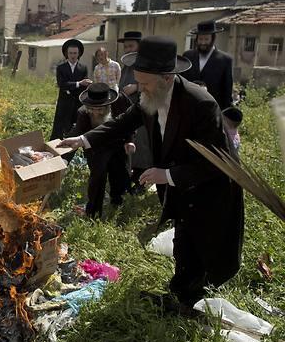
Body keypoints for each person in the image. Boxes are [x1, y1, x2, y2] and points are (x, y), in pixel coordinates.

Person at [58, 36, 245, 316]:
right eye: (139, 81)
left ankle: (198, 307)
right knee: (183, 241)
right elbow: (122, 123)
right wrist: (83, 139)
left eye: (145, 84)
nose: (139, 89)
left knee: (206, 247)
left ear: (167, 79)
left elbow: (216, 162)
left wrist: (167, 174)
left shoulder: (200, 104)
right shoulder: (149, 96)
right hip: (181, 189)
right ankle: (180, 293)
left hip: (210, 189)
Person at [68, 83, 133, 218]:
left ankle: (117, 205)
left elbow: (130, 122)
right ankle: (93, 213)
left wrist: (129, 140)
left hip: (117, 144)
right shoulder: (83, 113)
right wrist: (63, 158)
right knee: (97, 178)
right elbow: (75, 135)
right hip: (96, 149)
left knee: (119, 175)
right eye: (93, 109)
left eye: (100, 109)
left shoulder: (120, 102)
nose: (96, 112)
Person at [118, 31, 152, 194]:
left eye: (131, 46)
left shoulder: (145, 64)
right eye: (125, 46)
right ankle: (132, 177)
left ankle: (142, 181)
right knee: (131, 146)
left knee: (143, 147)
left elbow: (154, 84)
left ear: (139, 47)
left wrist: (136, 87)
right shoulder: (126, 66)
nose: (127, 49)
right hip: (129, 112)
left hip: (144, 112)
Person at [181, 20, 234, 110]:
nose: (203, 43)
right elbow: (181, 83)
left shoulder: (225, 60)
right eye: (200, 39)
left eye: (206, 39)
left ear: (213, 39)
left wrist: (225, 114)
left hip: (212, 110)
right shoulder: (188, 56)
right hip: (189, 108)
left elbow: (227, 92)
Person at [51, 39, 92, 140]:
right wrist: (79, 83)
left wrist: (83, 84)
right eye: (70, 53)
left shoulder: (83, 68)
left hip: (77, 102)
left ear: (79, 54)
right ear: (66, 54)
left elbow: (84, 84)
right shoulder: (61, 68)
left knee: (75, 127)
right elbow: (62, 84)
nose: (73, 55)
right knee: (60, 127)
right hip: (64, 101)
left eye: (75, 53)